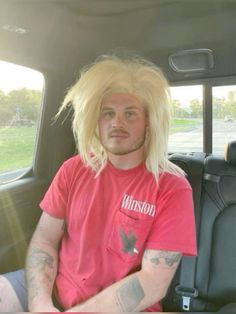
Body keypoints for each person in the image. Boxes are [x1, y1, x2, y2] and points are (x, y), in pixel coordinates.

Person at [0, 54, 197, 312]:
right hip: (55, 288)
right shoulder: (73, 169)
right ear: (96, 120)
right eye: (108, 113)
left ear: (148, 123)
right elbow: (45, 238)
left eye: (130, 114)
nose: (117, 122)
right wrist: (40, 305)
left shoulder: (172, 187)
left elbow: (152, 282)